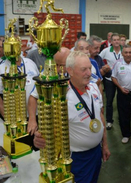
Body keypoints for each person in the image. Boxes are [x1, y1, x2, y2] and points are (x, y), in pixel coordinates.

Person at [33, 51, 110, 183]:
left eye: (90, 68)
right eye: (83, 69)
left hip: (96, 152)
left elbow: (100, 116)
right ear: (70, 71)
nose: (88, 73)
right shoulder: (62, 98)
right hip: (77, 158)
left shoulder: (93, 88)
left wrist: (105, 145)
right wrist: (38, 139)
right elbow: (48, 130)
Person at [27, 47, 70, 135]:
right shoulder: (46, 73)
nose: (58, 69)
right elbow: (33, 97)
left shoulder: (76, 72)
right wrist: (32, 120)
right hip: (52, 120)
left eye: (61, 65)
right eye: (56, 64)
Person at [0, 54, 39, 119]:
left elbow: (38, 83)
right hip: (15, 117)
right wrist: (6, 116)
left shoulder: (30, 62)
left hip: (35, 114)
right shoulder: (1, 68)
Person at [99, 33, 122, 130]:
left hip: (122, 80)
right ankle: (109, 121)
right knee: (109, 101)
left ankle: (122, 119)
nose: (116, 41)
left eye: (118, 39)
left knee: (122, 102)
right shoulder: (106, 51)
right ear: (111, 42)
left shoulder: (124, 50)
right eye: (114, 40)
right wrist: (103, 69)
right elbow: (98, 60)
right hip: (109, 80)